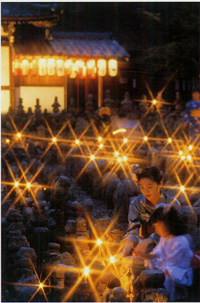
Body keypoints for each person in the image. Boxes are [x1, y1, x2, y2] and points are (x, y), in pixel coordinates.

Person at [132, 206, 193, 301]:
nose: (157, 230)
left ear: (168, 224)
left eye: (158, 226)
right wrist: (143, 255)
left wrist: (157, 263)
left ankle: (169, 297)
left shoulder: (180, 241)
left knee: (169, 272)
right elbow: (157, 252)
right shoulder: (165, 238)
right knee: (149, 262)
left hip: (179, 271)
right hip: (165, 265)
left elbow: (171, 261)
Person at [122, 167, 180, 257]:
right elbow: (133, 229)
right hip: (143, 243)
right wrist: (124, 252)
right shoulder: (136, 204)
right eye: (142, 187)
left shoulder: (173, 204)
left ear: (160, 183)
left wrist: (148, 241)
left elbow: (171, 231)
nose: (146, 191)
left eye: (150, 187)